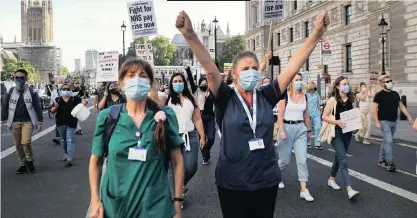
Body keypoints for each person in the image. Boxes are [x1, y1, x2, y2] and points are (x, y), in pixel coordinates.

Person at [176, 9, 329, 217]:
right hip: (232, 182)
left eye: (255, 67)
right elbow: (210, 69)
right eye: (246, 68)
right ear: (234, 74)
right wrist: (190, 35)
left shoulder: (267, 95)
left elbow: (293, 67)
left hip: (266, 179)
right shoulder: (225, 97)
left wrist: (316, 33)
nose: (251, 71)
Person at [88, 58, 184, 218]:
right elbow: (95, 161)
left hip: (156, 207)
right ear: (122, 83)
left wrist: (177, 202)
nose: (137, 80)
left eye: (142, 76)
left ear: (150, 83)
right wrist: (95, 200)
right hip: (116, 208)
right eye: (131, 75)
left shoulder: (165, 116)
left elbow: (177, 160)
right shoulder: (107, 117)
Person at [165, 72, 205, 207]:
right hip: (173, 137)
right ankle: (176, 197)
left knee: (191, 166)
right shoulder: (166, 99)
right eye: (175, 81)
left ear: (184, 83)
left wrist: (202, 135)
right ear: (171, 84)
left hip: (190, 135)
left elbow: (197, 118)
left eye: (180, 81)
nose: (177, 83)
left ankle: (182, 184)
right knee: (173, 168)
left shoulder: (191, 99)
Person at [276, 73, 314, 202]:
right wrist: (281, 131)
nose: (299, 82)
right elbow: (280, 116)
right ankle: (276, 176)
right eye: (296, 80)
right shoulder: (285, 97)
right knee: (284, 161)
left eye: (300, 80)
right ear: (291, 83)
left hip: (300, 130)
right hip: (286, 128)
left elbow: (306, 116)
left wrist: (309, 131)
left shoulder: (305, 97)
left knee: (302, 160)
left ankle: (304, 190)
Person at [322, 76, 360, 200]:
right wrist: (337, 122)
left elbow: (351, 115)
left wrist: (359, 119)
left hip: (347, 133)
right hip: (336, 132)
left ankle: (331, 179)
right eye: (343, 83)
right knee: (343, 159)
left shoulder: (350, 98)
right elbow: (324, 116)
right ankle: (349, 189)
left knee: (339, 158)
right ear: (337, 86)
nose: (346, 85)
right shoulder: (332, 100)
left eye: (347, 83)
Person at [1, 69, 43, 174]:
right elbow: (5, 106)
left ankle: (29, 160)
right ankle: (22, 165)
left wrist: (40, 121)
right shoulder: (10, 91)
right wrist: (2, 121)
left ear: (26, 78)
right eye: (17, 78)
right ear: (14, 78)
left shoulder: (32, 91)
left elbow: (37, 107)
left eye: (22, 78)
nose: (19, 80)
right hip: (14, 122)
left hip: (28, 121)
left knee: (26, 142)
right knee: (18, 145)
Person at [372, 74, 414, 172]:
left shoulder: (395, 94)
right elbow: (374, 109)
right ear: (383, 84)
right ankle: (389, 162)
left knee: (386, 141)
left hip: (393, 122)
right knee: (389, 141)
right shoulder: (379, 95)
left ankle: (381, 160)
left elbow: (401, 106)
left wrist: (408, 116)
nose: (389, 83)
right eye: (387, 81)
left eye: (390, 81)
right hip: (383, 121)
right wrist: (377, 122)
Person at [51, 83, 87, 167]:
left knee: (70, 140)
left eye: (68, 89)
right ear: (61, 90)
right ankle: (66, 153)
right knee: (64, 141)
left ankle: (69, 159)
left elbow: (84, 102)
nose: (66, 91)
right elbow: (52, 110)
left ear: (70, 91)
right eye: (64, 89)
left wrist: (84, 102)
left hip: (71, 123)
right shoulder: (58, 99)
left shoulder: (74, 99)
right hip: (60, 123)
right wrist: (55, 107)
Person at [185, 67, 216, 165]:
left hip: (211, 117)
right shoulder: (196, 91)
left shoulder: (211, 91)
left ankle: (206, 150)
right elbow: (190, 80)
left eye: (205, 83)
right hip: (200, 118)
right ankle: (205, 157)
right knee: (202, 138)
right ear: (198, 84)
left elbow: (215, 80)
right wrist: (188, 70)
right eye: (201, 83)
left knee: (211, 138)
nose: (203, 85)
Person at [305, 82, 322, 149]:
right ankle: (308, 142)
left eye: (313, 88)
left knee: (318, 127)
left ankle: (317, 143)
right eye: (310, 88)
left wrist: (319, 113)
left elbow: (318, 104)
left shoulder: (317, 94)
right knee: (308, 129)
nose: (312, 90)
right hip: (308, 114)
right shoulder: (305, 95)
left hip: (316, 113)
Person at [51, 78, 64, 145]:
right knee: (58, 123)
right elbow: (52, 100)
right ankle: (58, 137)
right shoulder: (53, 92)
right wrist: (52, 104)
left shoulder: (66, 91)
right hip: (58, 110)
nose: (60, 84)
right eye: (59, 83)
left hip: (66, 110)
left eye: (61, 82)